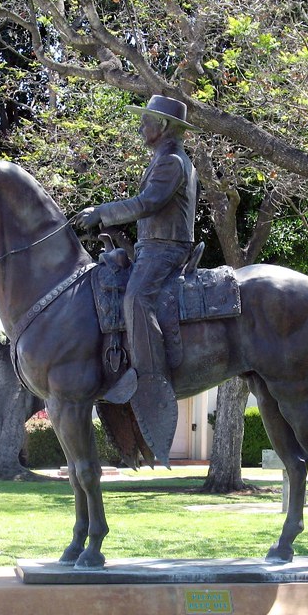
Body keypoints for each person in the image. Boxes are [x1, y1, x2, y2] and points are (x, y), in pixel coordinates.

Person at [72, 95, 198, 464]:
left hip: (166, 249)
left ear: (162, 127)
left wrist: (102, 213)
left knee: (135, 298)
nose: (141, 127)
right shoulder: (164, 158)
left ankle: (151, 376)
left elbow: (147, 204)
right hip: (152, 247)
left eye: (146, 121)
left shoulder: (172, 162)